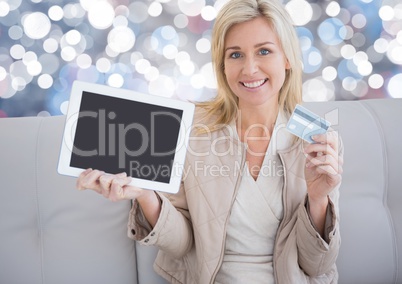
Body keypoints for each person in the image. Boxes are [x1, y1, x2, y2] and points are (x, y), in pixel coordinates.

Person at [76, 0, 344, 283]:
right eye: (235, 54)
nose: (250, 69)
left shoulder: (318, 143)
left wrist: (317, 199)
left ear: (287, 59)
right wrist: (144, 193)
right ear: (222, 65)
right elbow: (182, 244)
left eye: (264, 51)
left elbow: (316, 265)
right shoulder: (190, 130)